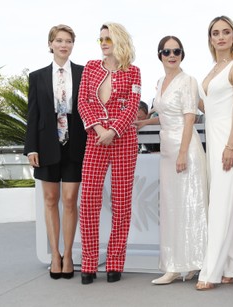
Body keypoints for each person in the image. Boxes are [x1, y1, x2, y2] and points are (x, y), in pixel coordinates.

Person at [136, 36, 208, 285]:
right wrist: (147, 121)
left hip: (185, 150)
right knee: (171, 208)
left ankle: (187, 263)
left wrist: (181, 153)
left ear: (182, 54)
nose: (172, 54)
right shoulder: (160, 82)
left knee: (190, 207)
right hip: (168, 149)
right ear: (160, 55)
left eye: (176, 50)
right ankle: (179, 263)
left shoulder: (188, 81)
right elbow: (168, 115)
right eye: (167, 51)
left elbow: (189, 118)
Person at [78, 22, 141, 285]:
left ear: (119, 41)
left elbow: (133, 106)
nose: (103, 43)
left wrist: (113, 130)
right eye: (101, 39)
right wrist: (98, 128)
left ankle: (115, 262)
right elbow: (82, 100)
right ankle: (89, 263)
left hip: (124, 140)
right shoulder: (91, 67)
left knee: (121, 202)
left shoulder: (134, 72)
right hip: (95, 138)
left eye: (108, 39)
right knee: (89, 201)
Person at [24, 24, 86, 280]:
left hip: (75, 144)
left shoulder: (84, 73)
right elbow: (33, 114)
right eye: (59, 40)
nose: (64, 45)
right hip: (46, 144)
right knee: (50, 201)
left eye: (68, 41)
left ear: (73, 44)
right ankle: (55, 256)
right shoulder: (37, 76)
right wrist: (31, 148)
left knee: (70, 201)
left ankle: (69, 254)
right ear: (50, 44)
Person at [196, 15, 233, 290]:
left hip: (231, 140)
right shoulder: (212, 70)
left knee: (220, 204)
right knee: (230, 203)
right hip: (213, 139)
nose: (220, 37)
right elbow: (207, 107)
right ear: (210, 38)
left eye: (225, 32)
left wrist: (231, 145)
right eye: (215, 32)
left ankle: (212, 271)